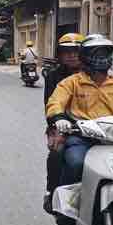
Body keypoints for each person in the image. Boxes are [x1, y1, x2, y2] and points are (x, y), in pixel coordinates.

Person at [46, 35, 113, 189]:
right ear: (85, 56)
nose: (101, 58)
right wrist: (60, 118)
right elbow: (55, 102)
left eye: (105, 53)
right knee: (76, 162)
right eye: (96, 53)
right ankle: (67, 196)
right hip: (82, 137)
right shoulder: (71, 82)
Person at [42, 33, 84, 213]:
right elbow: (51, 104)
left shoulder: (96, 74)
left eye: (76, 51)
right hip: (64, 126)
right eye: (67, 52)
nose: (72, 55)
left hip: (96, 126)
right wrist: (59, 121)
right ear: (59, 54)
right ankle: (52, 191)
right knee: (57, 152)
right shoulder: (54, 76)